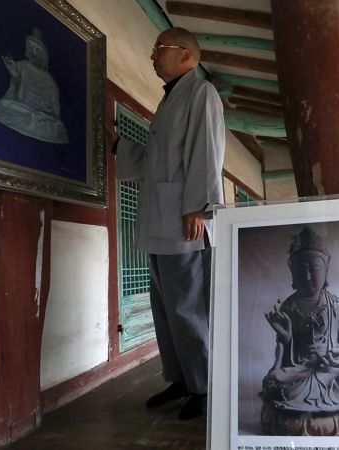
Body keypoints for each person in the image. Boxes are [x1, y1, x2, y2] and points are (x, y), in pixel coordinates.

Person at [114, 27, 225, 420]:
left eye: (159, 49)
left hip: (186, 222)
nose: (152, 56)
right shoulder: (169, 102)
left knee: (189, 307)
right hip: (161, 222)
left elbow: (207, 152)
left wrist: (200, 206)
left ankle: (206, 384)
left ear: (186, 55)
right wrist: (118, 148)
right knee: (164, 307)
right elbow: (155, 163)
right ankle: (181, 377)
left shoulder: (201, 93)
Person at [260, 227, 339, 433]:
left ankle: (312, 419)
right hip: (300, 371)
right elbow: (283, 360)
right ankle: (333, 420)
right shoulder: (288, 307)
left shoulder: (337, 306)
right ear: (292, 272)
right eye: (301, 269)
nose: (307, 276)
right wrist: (285, 338)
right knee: (274, 380)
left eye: (314, 268)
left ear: (325, 270)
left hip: (332, 371)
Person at [0, 28, 69, 144]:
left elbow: (55, 105)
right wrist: (12, 69)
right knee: (2, 104)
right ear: (27, 51)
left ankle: (37, 120)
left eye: (38, 51)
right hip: (23, 109)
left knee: (56, 126)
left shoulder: (49, 80)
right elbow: (16, 78)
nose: (34, 53)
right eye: (31, 49)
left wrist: (57, 120)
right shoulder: (23, 65)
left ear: (44, 55)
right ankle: (35, 119)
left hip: (42, 115)